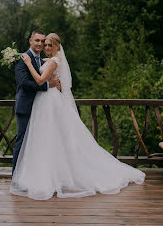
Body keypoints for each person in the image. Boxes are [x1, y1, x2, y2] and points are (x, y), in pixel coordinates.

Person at [10, 33, 145, 200]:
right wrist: (47, 77)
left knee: (52, 139)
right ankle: (29, 175)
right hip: (40, 103)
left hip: (48, 103)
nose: (45, 47)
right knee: (41, 139)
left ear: (57, 46)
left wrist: (33, 67)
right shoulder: (44, 59)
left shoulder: (49, 60)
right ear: (31, 41)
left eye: (48, 44)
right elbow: (28, 81)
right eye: (43, 44)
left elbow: (39, 80)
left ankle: (53, 176)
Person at [12, 30, 60, 173]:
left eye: (42, 41)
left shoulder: (41, 60)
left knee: (37, 142)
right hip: (26, 106)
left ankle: (32, 174)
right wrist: (47, 85)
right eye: (37, 40)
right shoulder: (22, 59)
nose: (40, 44)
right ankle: (16, 175)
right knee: (22, 142)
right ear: (30, 41)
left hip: (41, 107)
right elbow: (24, 83)